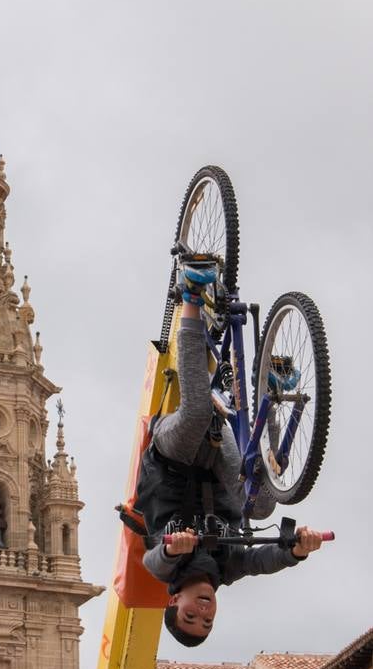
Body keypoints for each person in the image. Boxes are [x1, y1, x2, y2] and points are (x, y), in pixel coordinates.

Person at [138, 261, 323, 647]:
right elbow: (263, 561)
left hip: (172, 456)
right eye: (206, 622)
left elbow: (153, 560)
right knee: (261, 503)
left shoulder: (165, 569)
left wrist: (174, 547)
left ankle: (189, 295)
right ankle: (273, 392)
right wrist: (297, 550)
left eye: (191, 615)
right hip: (217, 460)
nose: (203, 613)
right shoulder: (228, 567)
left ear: (175, 600)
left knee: (198, 412)